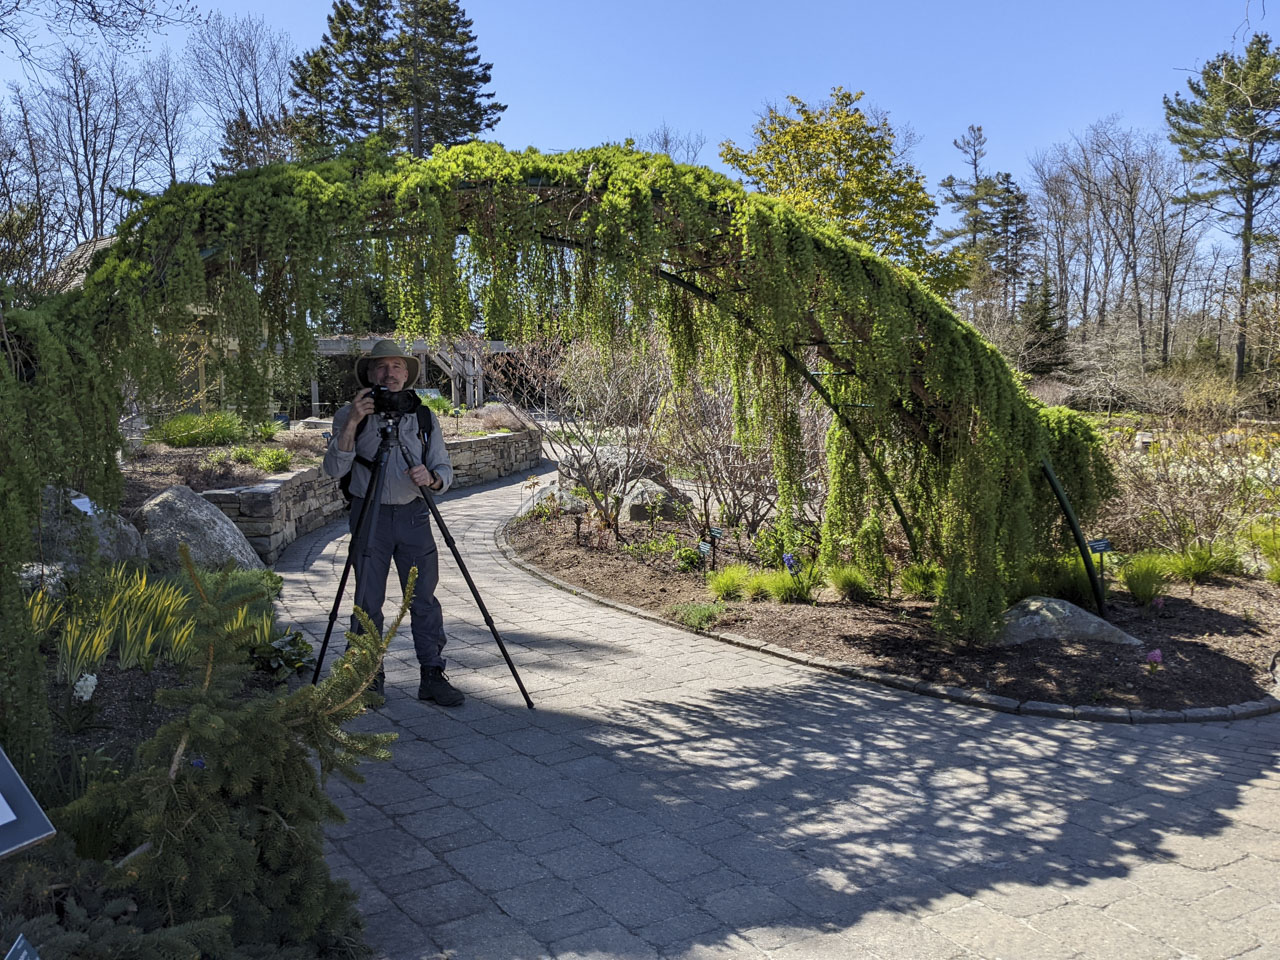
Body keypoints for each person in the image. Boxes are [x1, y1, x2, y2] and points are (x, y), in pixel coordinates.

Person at [322, 339, 463, 706]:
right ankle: (367, 676)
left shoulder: (423, 416)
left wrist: (431, 478)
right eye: (382, 368)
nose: (390, 374)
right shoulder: (348, 414)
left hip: (415, 516)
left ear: (406, 373)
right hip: (369, 517)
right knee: (367, 600)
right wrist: (353, 421)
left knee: (424, 600)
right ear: (370, 374)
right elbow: (334, 469)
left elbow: (444, 469)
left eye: (397, 367)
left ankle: (432, 674)